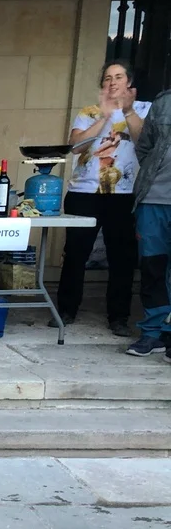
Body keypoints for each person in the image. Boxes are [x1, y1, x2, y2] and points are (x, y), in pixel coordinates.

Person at [53, 59, 152, 337]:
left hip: (123, 194)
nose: (112, 82)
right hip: (83, 193)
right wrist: (105, 117)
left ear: (129, 82)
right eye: (108, 78)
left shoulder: (144, 109)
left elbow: (146, 143)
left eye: (118, 77)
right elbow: (75, 146)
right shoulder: (89, 112)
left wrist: (126, 111)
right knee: (75, 254)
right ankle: (66, 310)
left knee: (122, 257)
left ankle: (118, 317)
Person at [127, 85, 171, 358]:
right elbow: (144, 148)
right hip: (154, 198)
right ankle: (152, 332)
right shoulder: (164, 102)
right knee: (152, 266)